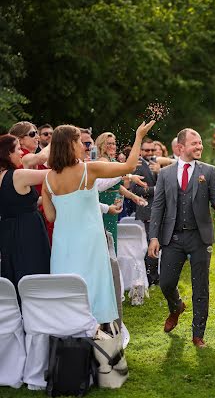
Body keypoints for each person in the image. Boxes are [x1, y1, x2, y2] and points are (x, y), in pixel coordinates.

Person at [42, 120, 155, 324]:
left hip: (62, 246)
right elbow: (129, 166)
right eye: (80, 142)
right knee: (93, 289)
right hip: (89, 243)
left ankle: (71, 335)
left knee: (68, 292)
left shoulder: (48, 179)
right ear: (70, 144)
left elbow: (51, 216)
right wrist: (139, 136)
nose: (86, 146)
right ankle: (97, 336)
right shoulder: (88, 169)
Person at [148, 128, 215, 348]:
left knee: (200, 286)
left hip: (199, 237)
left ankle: (198, 334)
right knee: (165, 283)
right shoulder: (165, 174)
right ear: (181, 147)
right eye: (194, 143)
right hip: (172, 238)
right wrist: (153, 237)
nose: (199, 147)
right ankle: (176, 307)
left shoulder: (209, 171)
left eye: (200, 143)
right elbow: (158, 207)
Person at [0, 134, 51, 290]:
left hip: (8, 231)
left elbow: (21, 203)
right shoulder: (17, 175)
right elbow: (52, 174)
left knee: (16, 271)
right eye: (17, 150)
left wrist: (46, 199)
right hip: (28, 230)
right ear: (7, 153)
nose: (21, 153)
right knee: (33, 268)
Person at [95, 131, 146, 252]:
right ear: (101, 145)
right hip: (105, 201)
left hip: (113, 201)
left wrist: (133, 196)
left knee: (112, 236)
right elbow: (105, 184)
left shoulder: (112, 160)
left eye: (114, 143)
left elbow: (117, 186)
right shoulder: (102, 160)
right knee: (107, 237)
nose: (112, 146)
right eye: (108, 144)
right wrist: (130, 176)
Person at [133, 137, 160, 285]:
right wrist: (155, 189)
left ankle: (155, 276)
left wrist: (159, 172)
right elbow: (135, 189)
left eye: (152, 150)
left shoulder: (156, 164)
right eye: (146, 150)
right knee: (151, 244)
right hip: (147, 210)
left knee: (157, 243)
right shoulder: (138, 165)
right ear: (141, 151)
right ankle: (151, 278)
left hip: (159, 210)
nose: (149, 152)